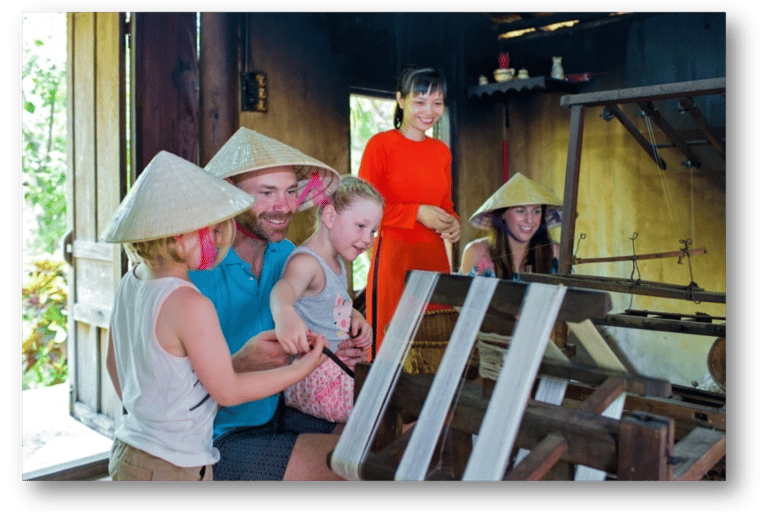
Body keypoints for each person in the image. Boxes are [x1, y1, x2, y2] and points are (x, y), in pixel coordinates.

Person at [102, 151, 329, 481]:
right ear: (179, 234)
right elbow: (228, 391)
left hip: (132, 447)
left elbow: (114, 365)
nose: (222, 240)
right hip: (177, 462)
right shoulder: (191, 302)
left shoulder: (131, 281)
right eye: (214, 231)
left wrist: (158, 414)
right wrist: (301, 369)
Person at [188, 127, 358, 481]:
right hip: (215, 436)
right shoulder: (196, 269)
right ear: (230, 193)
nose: (285, 207)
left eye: (291, 191)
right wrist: (236, 365)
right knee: (352, 466)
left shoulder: (288, 255)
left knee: (382, 440)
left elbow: (323, 307)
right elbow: (146, 382)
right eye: (267, 192)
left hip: (284, 410)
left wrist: (351, 325)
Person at [359, 65, 461, 356]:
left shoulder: (441, 151)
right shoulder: (381, 146)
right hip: (393, 259)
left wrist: (452, 223)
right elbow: (365, 208)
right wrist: (415, 213)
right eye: (420, 101)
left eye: (437, 103)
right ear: (400, 100)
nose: (429, 111)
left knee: (433, 342)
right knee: (390, 345)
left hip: (434, 259)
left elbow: (445, 205)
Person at [270, 175, 382, 423]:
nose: (367, 239)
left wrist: (356, 317)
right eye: (361, 226)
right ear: (330, 217)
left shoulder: (337, 263)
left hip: (337, 369)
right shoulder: (307, 262)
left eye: (373, 231)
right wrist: (285, 313)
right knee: (390, 409)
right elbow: (284, 288)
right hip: (314, 379)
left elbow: (333, 305)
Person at [460, 172, 563, 278]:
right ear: (503, 214)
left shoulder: (554, 252)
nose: (530, 220)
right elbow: (461, 294)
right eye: (520, 211)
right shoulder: (476, 252)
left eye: (536, 211)